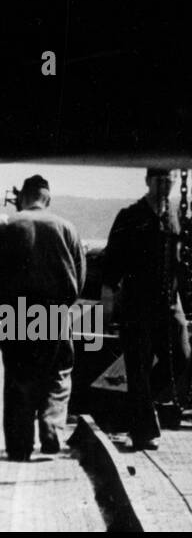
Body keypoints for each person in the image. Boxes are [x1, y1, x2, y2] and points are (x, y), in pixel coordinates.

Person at [102, 167, 190, 451]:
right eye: (160, 179)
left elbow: (181, 258)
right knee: (138, 368)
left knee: (182, 357)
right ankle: (142, 432)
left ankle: (144, 403)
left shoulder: (175, 215)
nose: (166, 184)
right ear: (148, 181)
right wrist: (108, 303)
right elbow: (112, 261)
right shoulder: (130, 216)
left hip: (169, 303)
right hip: (137, 304)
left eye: (170, 180)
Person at [0, 175, 86, 461]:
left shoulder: (8, 226)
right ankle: (51, 428)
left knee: (18, 377)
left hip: (15, 312)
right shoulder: (66, 228)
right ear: (47, 199)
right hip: (54, 311)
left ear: (23, 197)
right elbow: (81, 276)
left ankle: (19, 446)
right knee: (58, 374)